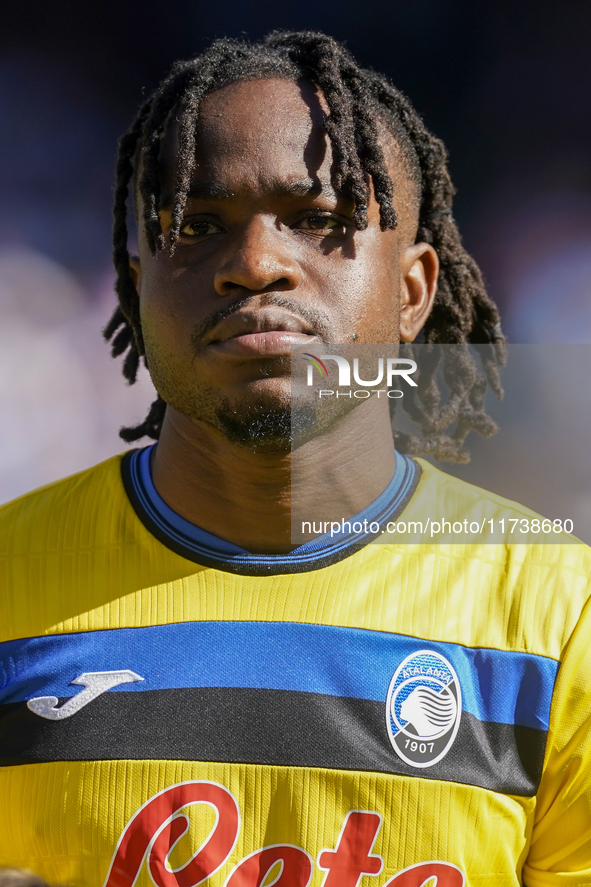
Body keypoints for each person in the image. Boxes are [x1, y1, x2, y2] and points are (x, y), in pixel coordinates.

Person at [0, 30, 589, 887]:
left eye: (317, 222)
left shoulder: (560, 613)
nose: (256, 264)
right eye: (196, 225)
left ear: (413, 292)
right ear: (136, 287)